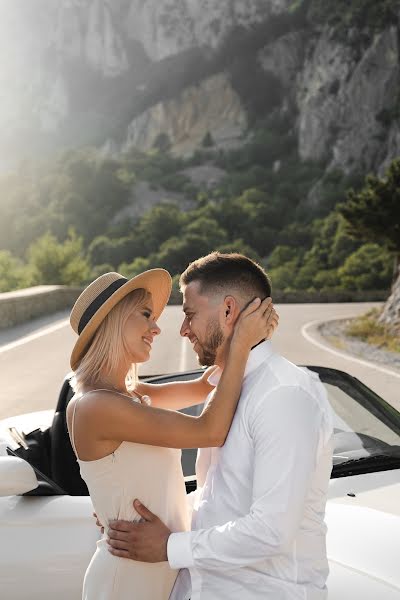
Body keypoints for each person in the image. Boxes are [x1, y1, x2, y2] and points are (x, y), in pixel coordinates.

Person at [106, 252, 335, 600]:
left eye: (189, 315)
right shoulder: (225, 387)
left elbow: (270, 531)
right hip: (201, 587)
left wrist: (171, 546)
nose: (183, 330)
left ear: (229, 311)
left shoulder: (283, 395)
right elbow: (217, 499)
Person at [66, 267, 278, 600]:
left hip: (160, 570)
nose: (157, 327)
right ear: (114, 321)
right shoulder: (96, 407)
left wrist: (235, 334)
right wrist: (240, 345)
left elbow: (203, 386)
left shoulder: (130, 395)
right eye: (146, 315)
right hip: (128, 580)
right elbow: (210, 430)